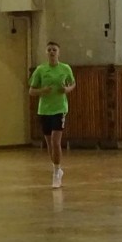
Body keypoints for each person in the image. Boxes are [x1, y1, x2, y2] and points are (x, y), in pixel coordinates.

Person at [28, 41, 75, 188]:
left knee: (56, 142)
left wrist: (67, 90)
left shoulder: (65, 68)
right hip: (44, 110)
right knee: (49, 144)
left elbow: (72, 83)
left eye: (54, 50)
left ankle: (56, 173)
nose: (52, 52)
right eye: (49, 50)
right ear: (46, 52)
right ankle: (57, 168)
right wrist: (42, 91)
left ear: (58, 52)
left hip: (59, 108)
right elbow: (31, 91)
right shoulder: (41, 70)